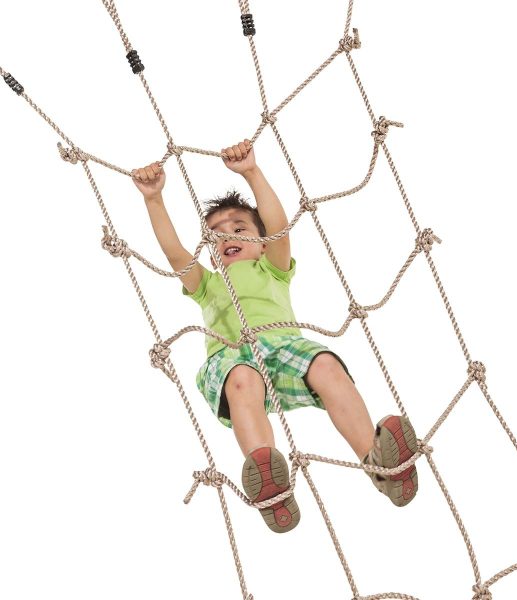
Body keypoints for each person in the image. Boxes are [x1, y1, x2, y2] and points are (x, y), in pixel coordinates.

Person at [132, 139, 418, 533]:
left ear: (261, 243)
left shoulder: (273, 267)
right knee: (242, 379)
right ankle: (271, 487)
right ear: (212, 252)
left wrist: (252, 172)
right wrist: (154, 199)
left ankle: (381, 464)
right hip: (232, 359)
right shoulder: (207, 284)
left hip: (284, 350)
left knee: (325, 364)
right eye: (216, 235)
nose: (227, 236)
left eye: (239, 228)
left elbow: (279, 228)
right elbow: (175, 253)